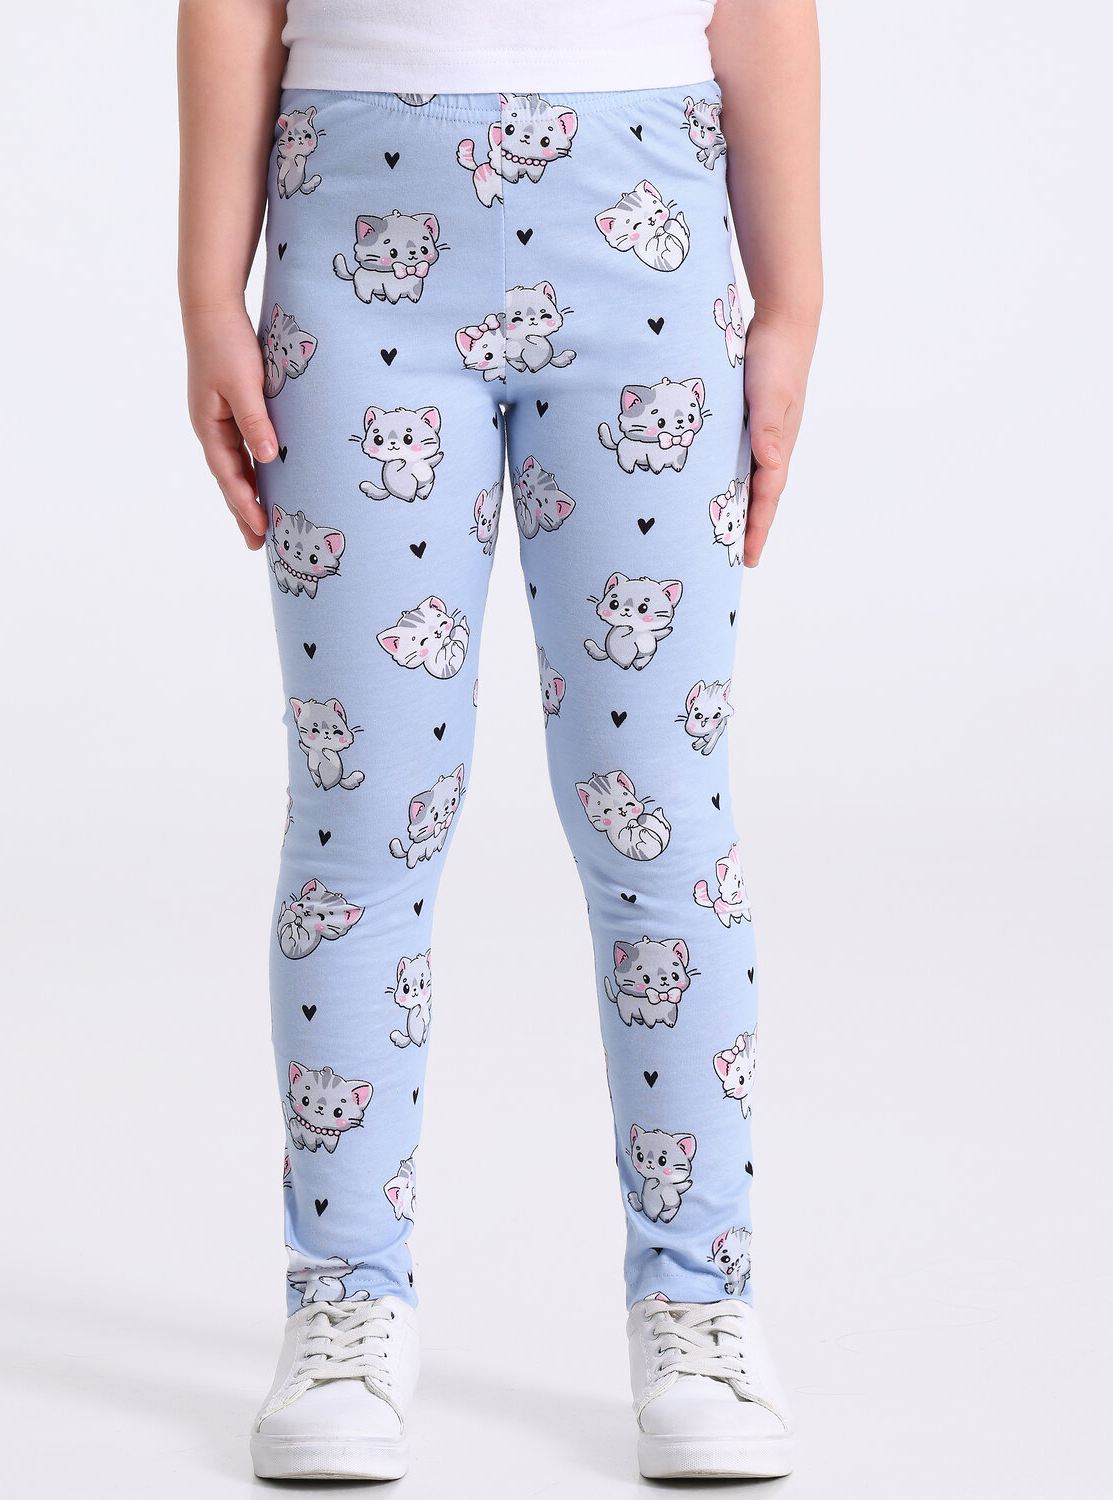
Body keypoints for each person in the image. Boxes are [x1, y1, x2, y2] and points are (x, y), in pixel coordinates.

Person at [177, 0, 821, 1482]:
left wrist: (792, 296)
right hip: (355, 238)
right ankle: (343, 1299)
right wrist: (208, 283)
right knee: (362, 816)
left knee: (659, 812)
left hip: (645, 223)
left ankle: (698, 1300)